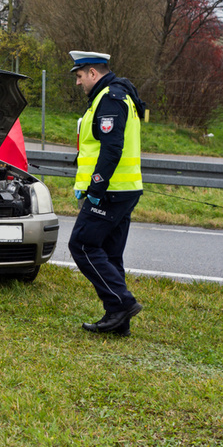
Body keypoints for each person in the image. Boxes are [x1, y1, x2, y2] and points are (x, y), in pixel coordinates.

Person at [67, 50, 145, 337]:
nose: (78, 83)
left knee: (82, 245)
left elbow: (112, 149)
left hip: (111, 191)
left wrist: (96, 189)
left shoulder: (110, 98)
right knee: (111, 254)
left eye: (79, 76)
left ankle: (122, 304)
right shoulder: (114, 96)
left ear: (92, 73)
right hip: (124, 189)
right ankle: (118, 322)